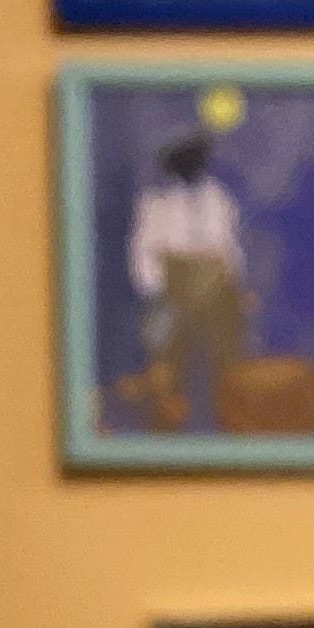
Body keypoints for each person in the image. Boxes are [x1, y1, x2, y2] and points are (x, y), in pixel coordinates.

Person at [127, 129, 248, 432]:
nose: (193, 168)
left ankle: (229, 421)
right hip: (174, 285)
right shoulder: (157, 203)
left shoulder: (219, 199)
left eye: (197, 162)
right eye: (186, 163)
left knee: (227, 354)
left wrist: (235, 285)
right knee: (167, 356)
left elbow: (228, 246)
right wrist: (155, 290)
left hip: (215, 285)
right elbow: (144, 248)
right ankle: (167, 426)